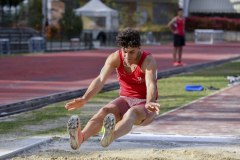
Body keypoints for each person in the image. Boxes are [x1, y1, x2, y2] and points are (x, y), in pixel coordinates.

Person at [65, 27, 160, 150]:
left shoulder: (148, 60)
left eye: (132, 52)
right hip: (125, 100)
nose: (127, 56)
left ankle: (110, 136)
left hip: (145, 105)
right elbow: (100, 79)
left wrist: (149, 102)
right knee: (105, 110)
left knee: (132, 113)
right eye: (125, 51)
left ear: (139, 48)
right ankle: (80, 138)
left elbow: (150, 84)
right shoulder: (115, 57)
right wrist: (84, 99)